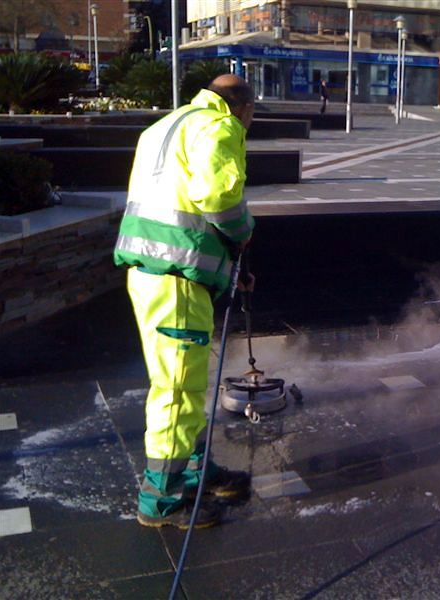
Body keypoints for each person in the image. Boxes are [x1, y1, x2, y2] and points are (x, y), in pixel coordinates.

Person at [114, 74, 257, 529]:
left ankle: (195, 471)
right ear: (242, 107)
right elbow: (216, 197)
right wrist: (243, 231)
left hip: (153, 272)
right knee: (176, 390)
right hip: (176, 279)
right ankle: (161, 500)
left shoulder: (163, 126)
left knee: (185, 380)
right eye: (251, 118)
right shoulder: (219, 126)